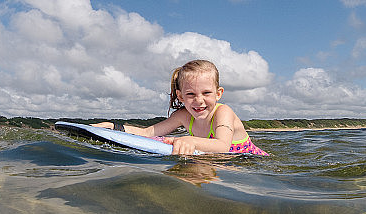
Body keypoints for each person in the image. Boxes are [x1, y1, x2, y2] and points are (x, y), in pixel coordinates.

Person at [94, 60, 269, 156]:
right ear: (180, 96)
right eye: (191, 94)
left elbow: (222, 146)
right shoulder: (183, 115)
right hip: (221, 161)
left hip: (250, 161)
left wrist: (190, 140)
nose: (199, 101)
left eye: (206, 93)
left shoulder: (223, 112)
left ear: (218, 93)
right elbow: (148, 133)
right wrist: (115, 127)